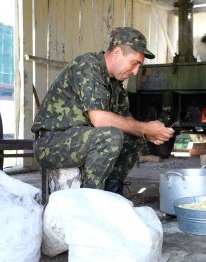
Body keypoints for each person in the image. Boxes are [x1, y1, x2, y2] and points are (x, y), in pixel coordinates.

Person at [32, 27, 174, 195]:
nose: (136, 71)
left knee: (133, 139)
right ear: (118, 52)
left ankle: (111, 195)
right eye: (134, 63)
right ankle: (91, 202)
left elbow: (128, 122)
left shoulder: (116, 85)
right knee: (110, 136)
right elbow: (99, 120)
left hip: (79, 139)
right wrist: (145, 128)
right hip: (52, 143)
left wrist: (147, 132)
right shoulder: (87, 65)